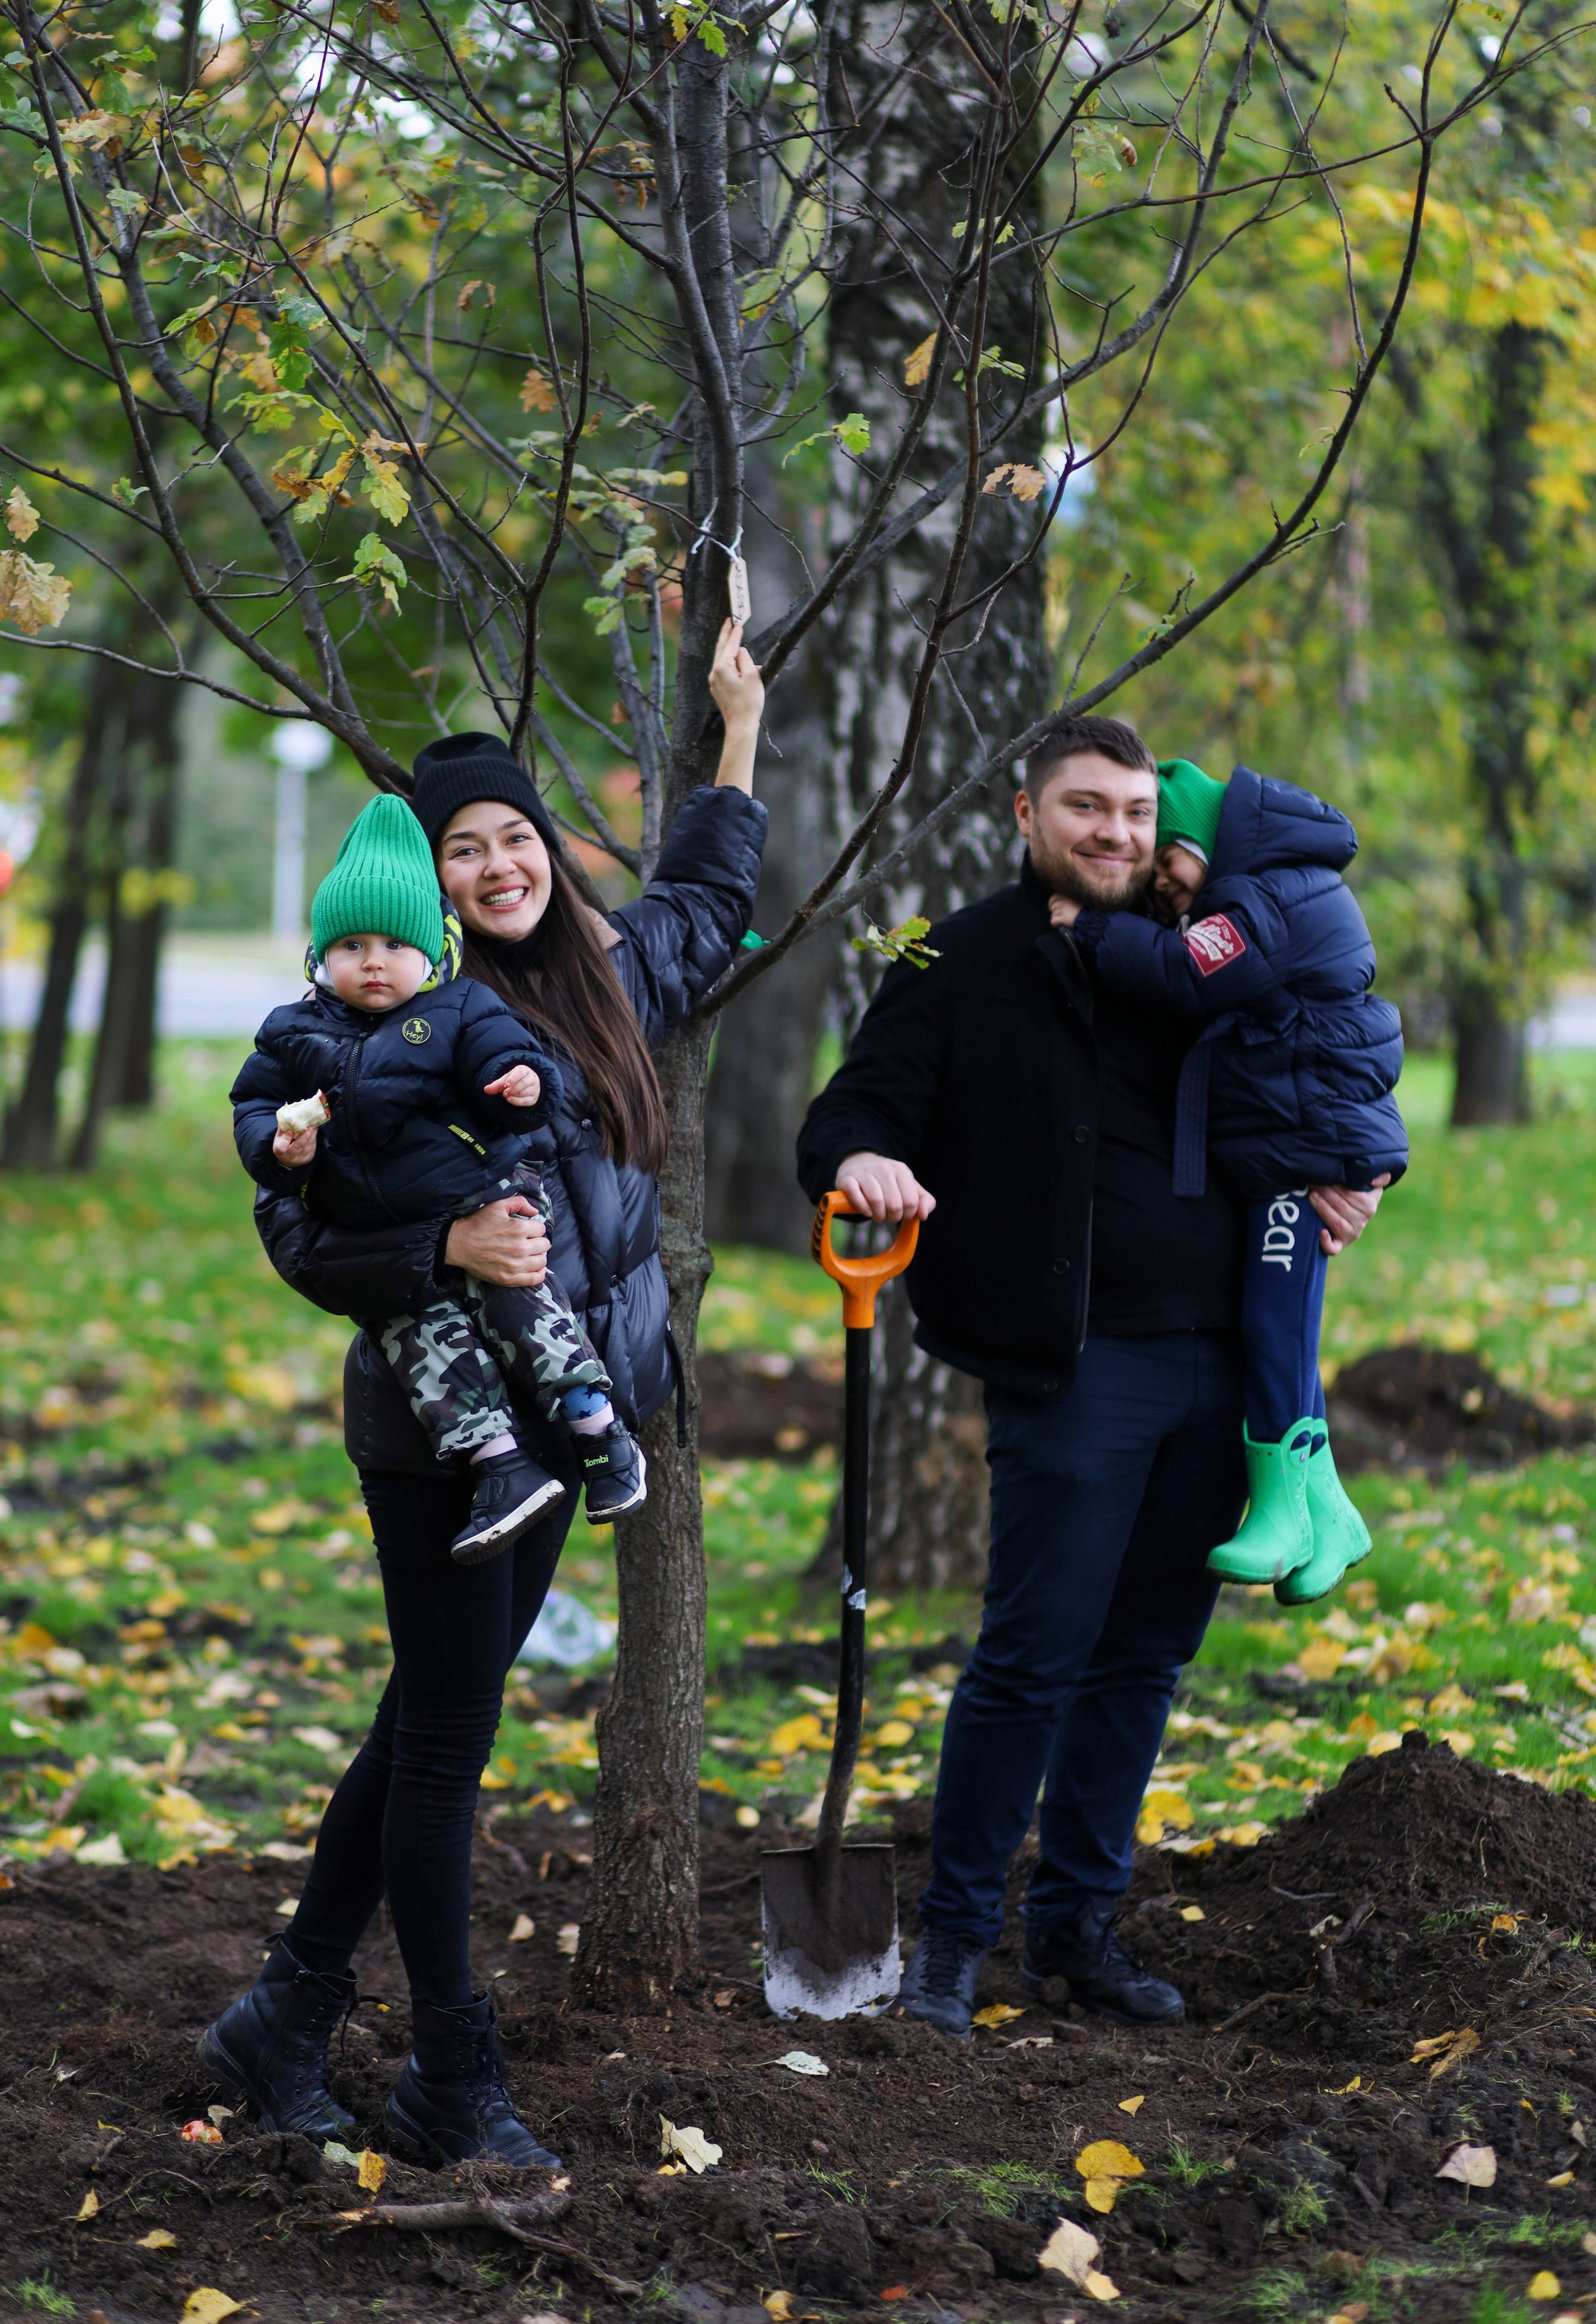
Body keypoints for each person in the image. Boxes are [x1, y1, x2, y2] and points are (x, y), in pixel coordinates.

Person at [197, 622, 766, 2163]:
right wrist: (436, 1236)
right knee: (446, 1741)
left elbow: (710, 894)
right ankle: (452, 2075)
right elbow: (295, 1230)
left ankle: (286, 2011)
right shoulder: (379, 1022)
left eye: (516, 835)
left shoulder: (606, 977)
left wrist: (736, 729)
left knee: (425, 1721)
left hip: (573, 1416)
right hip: (443, 1429)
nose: (499, 864)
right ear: (423, 882)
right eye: (464, 850)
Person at [796, 714, 1387, 2042]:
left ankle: (1075, 1931)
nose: (1112, 834)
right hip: (1073, 1368)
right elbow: (854, 1107)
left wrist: (1353, 1173)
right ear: (1026, 817)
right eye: (1083, 809)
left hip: (1226, 1369)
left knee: (1142, 1665)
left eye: (1131, 812)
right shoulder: (966, 957)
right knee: (1030, 1658)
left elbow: (1323, 1069)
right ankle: (952, 1947)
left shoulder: (1212, 940)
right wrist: (861, 1164)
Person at [229, 790, 649, 1559]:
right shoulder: (294, 1032)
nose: (373, 962)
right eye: (351, 946)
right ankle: (501, 1468)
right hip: (388, 1243)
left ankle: (603, 1436)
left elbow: (508, 1060)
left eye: (393, 944)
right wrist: (275, 1147)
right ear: (321, 958)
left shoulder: (459, 1008)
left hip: (476, 1197)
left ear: (431, 954)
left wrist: (521, 1081)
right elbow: (254, 1105)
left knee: (527, 1310)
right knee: (426, 1348)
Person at [1048, 758, 1409, 1603]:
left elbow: (1186, 973)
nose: (1165, 889)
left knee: (1271, 1322)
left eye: (1165, 864)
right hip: (1296, 1141)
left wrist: (1088, 930)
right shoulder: (1272, 883)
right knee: (1281, 1322)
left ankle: (1281, 1509)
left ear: (1192, 840)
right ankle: (1329, 1509)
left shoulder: (1263, 899)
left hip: (1302, 1150)